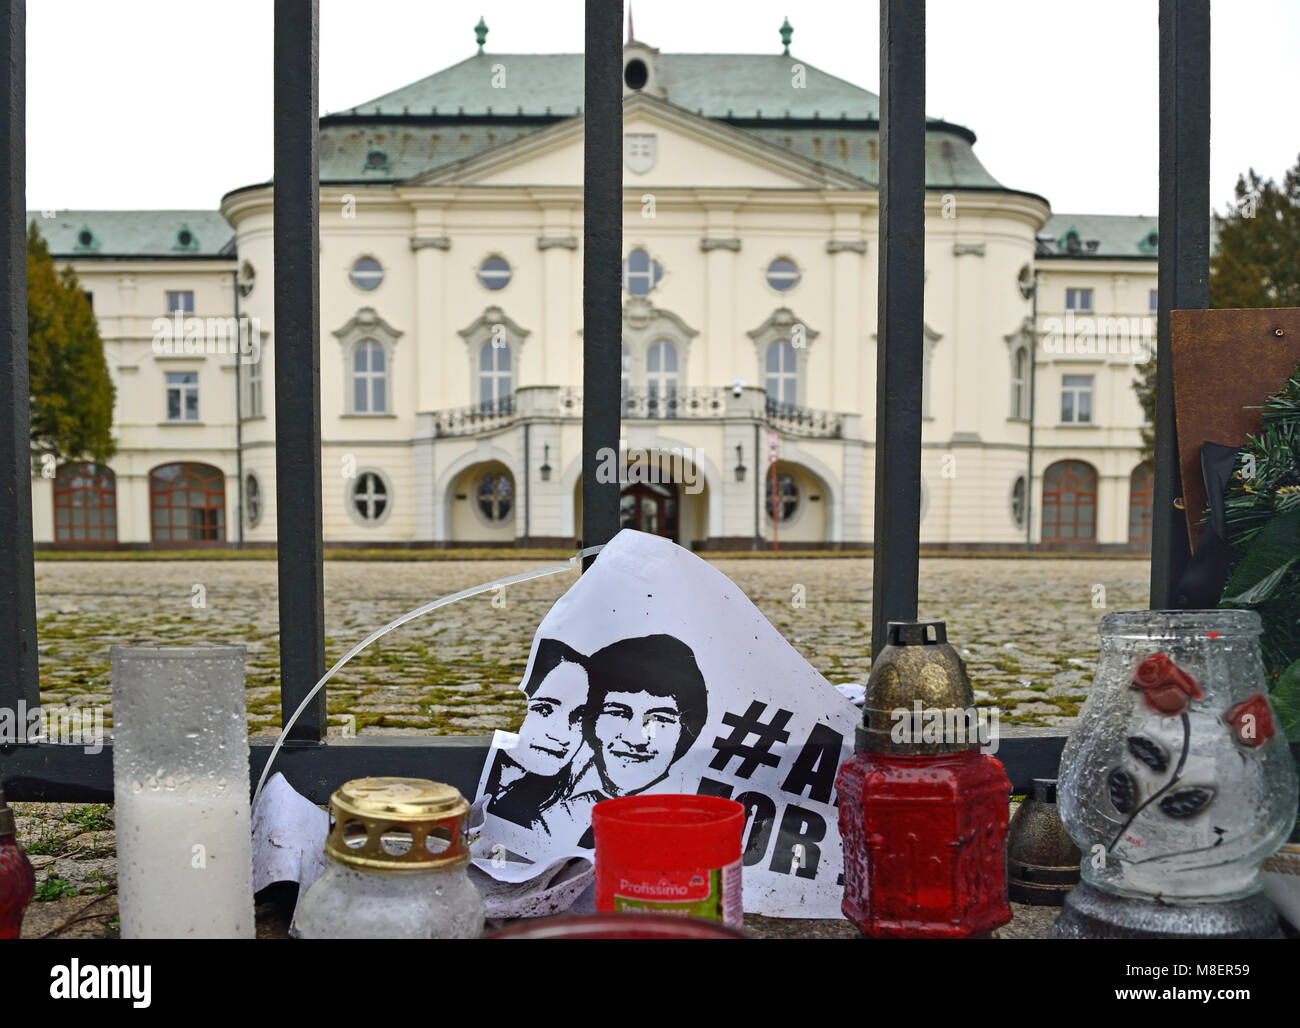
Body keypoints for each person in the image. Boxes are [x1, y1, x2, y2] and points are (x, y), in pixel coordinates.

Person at [562, 634, 709, 846]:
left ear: (686, 729)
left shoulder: (707, 813)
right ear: (590, 721)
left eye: (659, 718)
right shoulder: (537, 796)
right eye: (618, 713)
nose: (636, 739)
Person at [484, 638, 589, 833]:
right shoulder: (492, 778)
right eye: (544, 709)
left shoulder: (573, 809)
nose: (562, 735)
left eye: (578, 716)